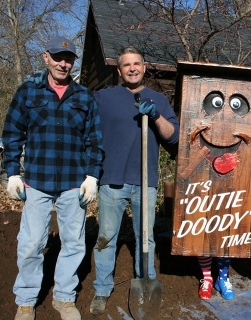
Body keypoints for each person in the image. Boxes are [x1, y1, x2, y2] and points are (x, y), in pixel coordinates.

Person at [2, 35, 105, 320]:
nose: (63, 63)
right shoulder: (28, 93)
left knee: (73, 243)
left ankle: (64, 297)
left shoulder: (84, 96)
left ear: (73, 61)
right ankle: (25, 300)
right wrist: (12, 172)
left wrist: (92, 176)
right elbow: (12, 134)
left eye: (69, 58)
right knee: (32, 243)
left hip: (74, 184)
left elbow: (94, 141)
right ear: (46, 57)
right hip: (37, 181)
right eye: (58, 57)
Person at [89, 46, 179, 315]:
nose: (132, 68)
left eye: (136, 63)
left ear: (144, 66)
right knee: (106, 237)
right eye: (126, 65)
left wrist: (155, 116)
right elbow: (77, 110)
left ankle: (146, 280)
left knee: (146, 237)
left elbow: (172, 136)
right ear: (119, 70)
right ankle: (102, 289)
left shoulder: (158, 99)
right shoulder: (103, 98)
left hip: (145, 181)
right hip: (111, 178)